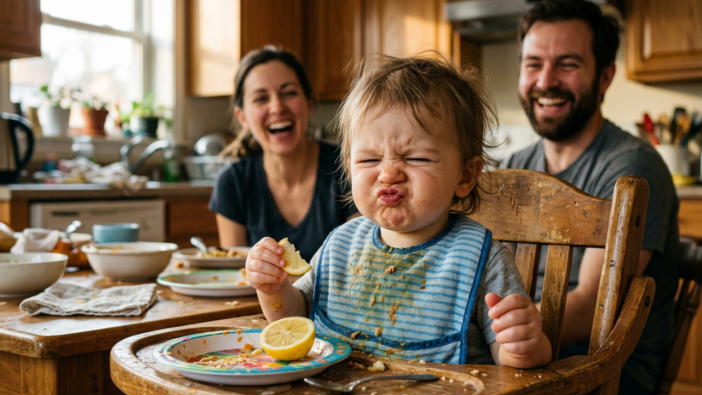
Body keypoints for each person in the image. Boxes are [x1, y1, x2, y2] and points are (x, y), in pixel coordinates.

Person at [246, 54, 552, 368]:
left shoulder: (482, 259)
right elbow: (294, 319)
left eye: (416, 158)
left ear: (465, 175)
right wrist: (274, 289)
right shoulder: (340, 244)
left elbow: (513, 363)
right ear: (350, 170)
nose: (389, 174)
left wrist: (523, 346)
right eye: (368, 160)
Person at [502, 1, 679, 395]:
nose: (546, 81)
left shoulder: (632, 168)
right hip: (522, 354)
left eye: (567, 64)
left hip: (604, 370)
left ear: (604, 77)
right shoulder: (515, 165)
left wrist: (491, 334)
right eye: (533, 64)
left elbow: (590, 308)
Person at [209, 47, 358, 261]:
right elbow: (237, 272)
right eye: (261, 98)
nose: (277, 107)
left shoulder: (348, 166)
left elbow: (364, 262)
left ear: (309, 104)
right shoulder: (233, 182)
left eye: (289, 93)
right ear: (242, 118)